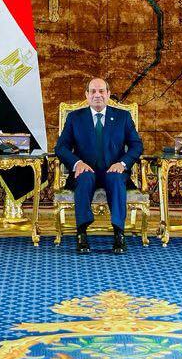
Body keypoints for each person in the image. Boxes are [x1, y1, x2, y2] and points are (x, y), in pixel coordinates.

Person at [54, 77, 143, 255]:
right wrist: (77, 163)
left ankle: (119, 233)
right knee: (84, 177)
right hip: (86, 170)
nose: (97, 95)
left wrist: (122, 163)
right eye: (93, 91)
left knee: (116, 178)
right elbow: (61, 147)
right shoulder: (74, 118)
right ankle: (82, 233)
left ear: (108, 94)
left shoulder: (123, 117)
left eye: (101, 91)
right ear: (86, 95)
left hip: (113, 170)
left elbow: (137, 145)